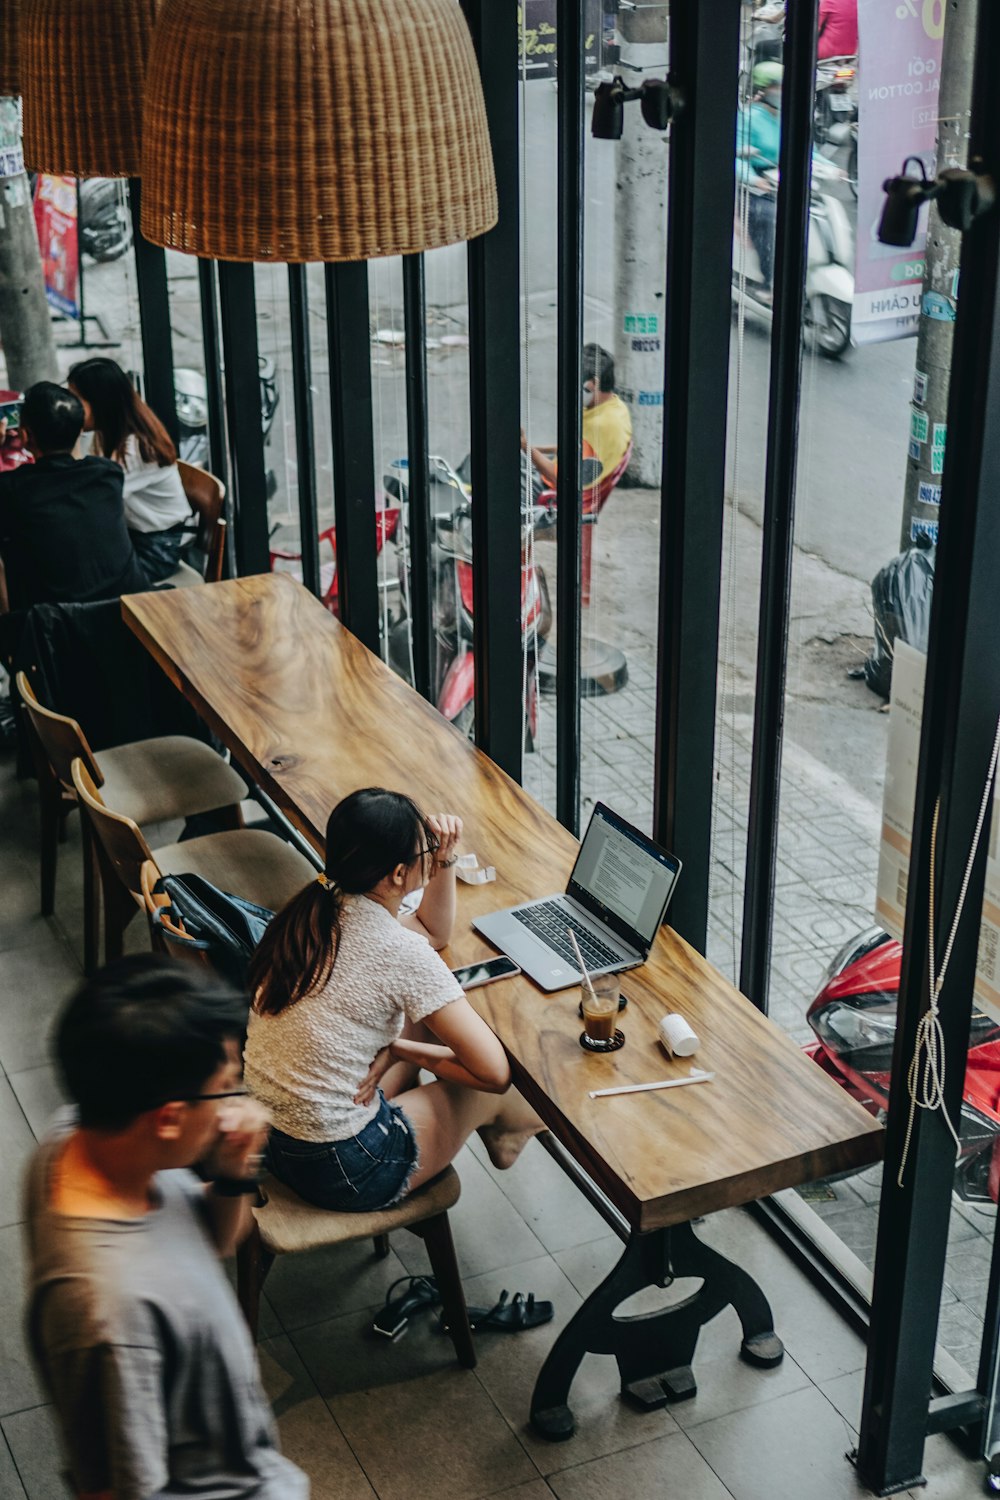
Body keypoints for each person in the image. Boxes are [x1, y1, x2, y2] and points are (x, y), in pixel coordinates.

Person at [23, 955, 308, 1500]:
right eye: (226, 1087)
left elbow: (215, 1242)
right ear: (169, 1117)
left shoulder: (76, 1137)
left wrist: (232, 1172)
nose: (237, 1106)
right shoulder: (109, 1315)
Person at [243, 787, 545, 1213]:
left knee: (417, 1022)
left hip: (271, 1135)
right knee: (493, 1092)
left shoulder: (313, 913)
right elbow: (494, 1072)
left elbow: (434, 931)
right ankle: (507, 1132)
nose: (433, 848)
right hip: (342, 1168)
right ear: (399, 875)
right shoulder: (399, 953)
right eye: (426, 847)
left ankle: (477, 1125)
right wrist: (402, 1051)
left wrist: (442, 860)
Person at [0, 382, 146, 617]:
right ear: (80, 431)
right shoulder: (109, 474)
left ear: (25, 436)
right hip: (128, 619)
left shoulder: (10, 490)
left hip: (53, 632)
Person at [68, 358, 192, 584]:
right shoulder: (106, 433)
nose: (70, 408)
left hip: (158, 547)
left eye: (76, 401)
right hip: (134, 536)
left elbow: (92, 500)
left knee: (83, 576)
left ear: (100, 402)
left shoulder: (136, 449)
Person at [521, 343, 633, 495]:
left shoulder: (599, 425)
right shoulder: (617, 407)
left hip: (546, 489)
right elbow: (578, 450)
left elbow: (558, 478)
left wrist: (525, 446)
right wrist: (528, 447)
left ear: (593, 383)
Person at [736, 61, 785, 301]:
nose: (781, 92)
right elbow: (735, 155)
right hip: (755, 188)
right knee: (768, 219)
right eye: (776, 87)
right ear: (764, 90)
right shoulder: (749, 118)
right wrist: (753, 179)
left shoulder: (786, 118)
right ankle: (769, 281)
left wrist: (832, 169)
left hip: (781, 183)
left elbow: (810, 151)